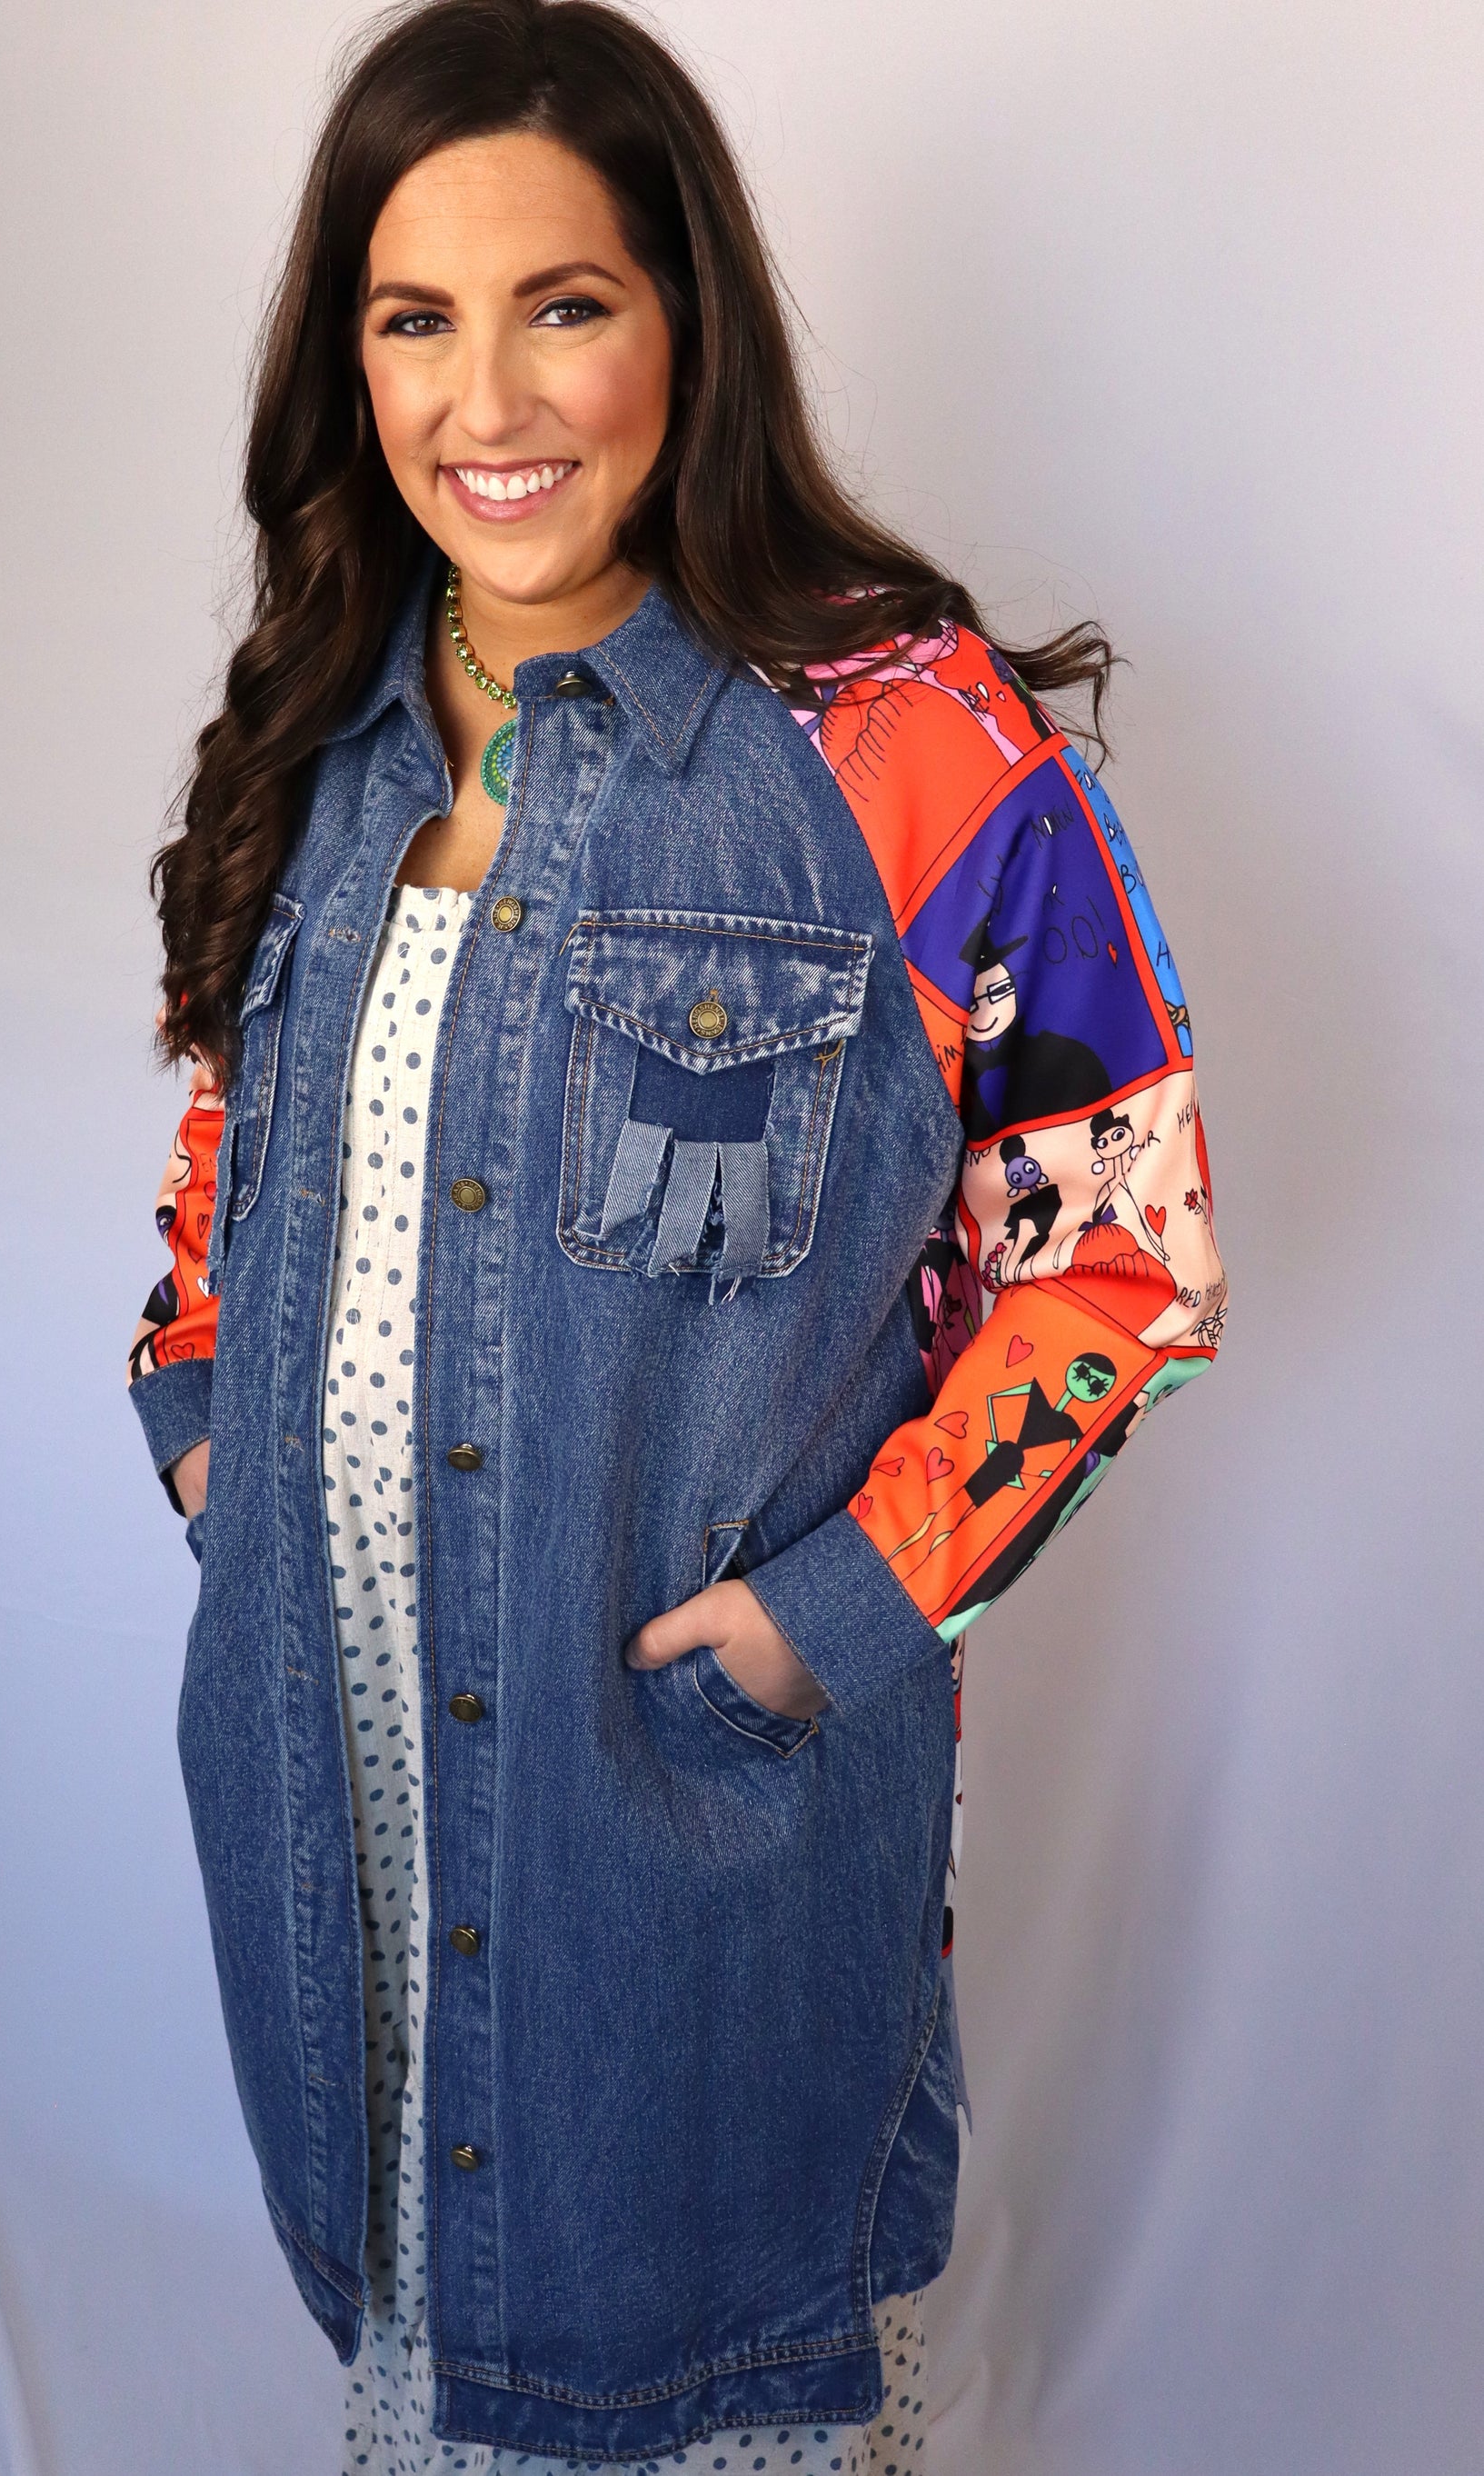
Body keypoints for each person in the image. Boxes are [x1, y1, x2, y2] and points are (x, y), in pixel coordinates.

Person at [124, 5, 1228, 2470]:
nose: (487, 398)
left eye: (566, 304)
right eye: (414, 319)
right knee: (414, 2351)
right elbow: (225, 1145)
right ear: (348, 363)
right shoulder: (317, 731)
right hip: (329, 1770)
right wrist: (208, 1433)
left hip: (682, 1822)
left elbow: (1124, 1250)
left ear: (685, 323)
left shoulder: (904, 738)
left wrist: (841, 1608)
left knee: (702, 2369)